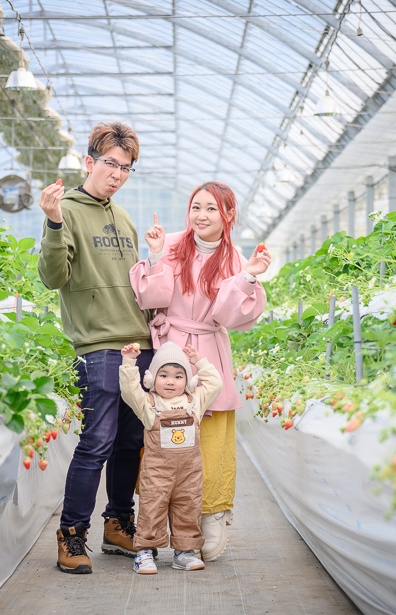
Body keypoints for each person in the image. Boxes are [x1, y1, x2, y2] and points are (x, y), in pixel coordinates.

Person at [129, 181, 271, 561]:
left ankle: (210, 515)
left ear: (228, 215)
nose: (202, 216)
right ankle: (156, 520)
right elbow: (153, 297)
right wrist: (156, 255)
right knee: (162, 433)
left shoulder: (236, 259)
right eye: (196, 207)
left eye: (211, 209)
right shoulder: (173, 243)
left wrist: (249, 277)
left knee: (207, 439)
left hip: (207, 349)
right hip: (170, 348)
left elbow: (228, 316)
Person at [38, 122, 154, 575]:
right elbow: (53, 277)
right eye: (111, 164)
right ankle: (71, 534)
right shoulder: (65, 209)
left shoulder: (123, 217)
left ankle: (117, 523)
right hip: (98, 347)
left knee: (129, 444)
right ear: (89, 162)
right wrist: (51, 223)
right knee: (96, 443)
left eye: (126, 168)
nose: (118, 174)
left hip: (136, 344)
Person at [118, 341, 222, 574]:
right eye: (163, 375)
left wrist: (199, 362)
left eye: (178, 376)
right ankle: (144, 551)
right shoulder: (148, 404)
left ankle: (185, 552)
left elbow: (215, 383)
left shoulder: (195, 402)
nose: (170, 381)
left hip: (189, 472)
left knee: (189, 508)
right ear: (151, 379)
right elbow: (129, 390)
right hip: (157, 472)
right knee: (151, 509)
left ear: (188, 381)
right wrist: (129, 362)